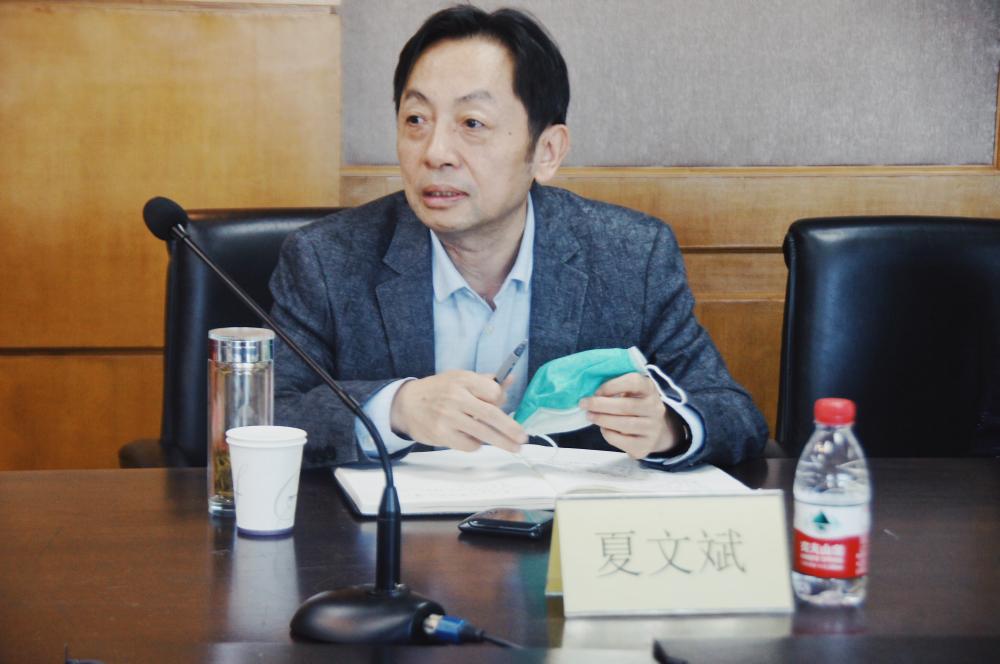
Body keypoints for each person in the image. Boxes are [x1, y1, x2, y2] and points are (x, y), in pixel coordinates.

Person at [270, 5, 768, 470]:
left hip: (560, 532)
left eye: (472, 123)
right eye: (416, 120)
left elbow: (734, 415)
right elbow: (264, 418)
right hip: (396, 532)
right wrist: (395, 409)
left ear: (546, 151)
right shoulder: (326, 259)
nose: (435, 152)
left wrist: (667, 427)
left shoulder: (630, 256)